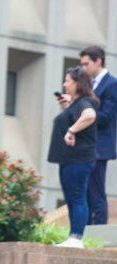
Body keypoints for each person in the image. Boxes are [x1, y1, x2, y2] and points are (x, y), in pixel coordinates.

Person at [52, 66, 100, 246]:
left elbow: (90, 115)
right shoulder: (77, 103)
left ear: (78, 84)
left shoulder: (85, 103)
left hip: (79, 158)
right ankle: (73, 236)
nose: (64, 85)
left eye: (68, 81)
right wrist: (67, 107)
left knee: (78, 196)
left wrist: (71, 131)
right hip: (69, 159)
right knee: (72, 197)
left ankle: (76, 237)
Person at [79, 46, 117, 225]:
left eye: (86, 64)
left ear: (98, 61)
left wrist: (86, 112)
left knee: (96, 192)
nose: (83, 69)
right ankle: (84, 232)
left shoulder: (111, 84)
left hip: (99, 147)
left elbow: (107, 118)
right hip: (86, 146)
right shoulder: (89, 86)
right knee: (84, 191)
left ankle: (98, 233)